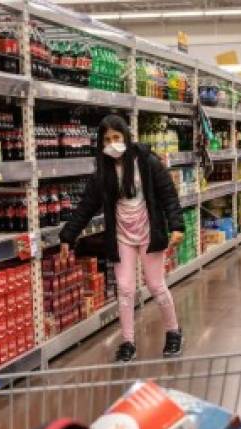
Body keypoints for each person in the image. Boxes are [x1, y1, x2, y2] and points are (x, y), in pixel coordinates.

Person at [60, 114, 185, 362]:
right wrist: (68, 236)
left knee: (156, 286)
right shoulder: (102, 173)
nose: (112, 143)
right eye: (107, 140)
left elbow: (167, 194)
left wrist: (177, 225)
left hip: (149, 231)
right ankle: (127, 341)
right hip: (122, 236)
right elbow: (86, 206)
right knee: (125, 289)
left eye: (117, 137)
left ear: (126, 136)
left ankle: (173, 332)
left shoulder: (147, 162)